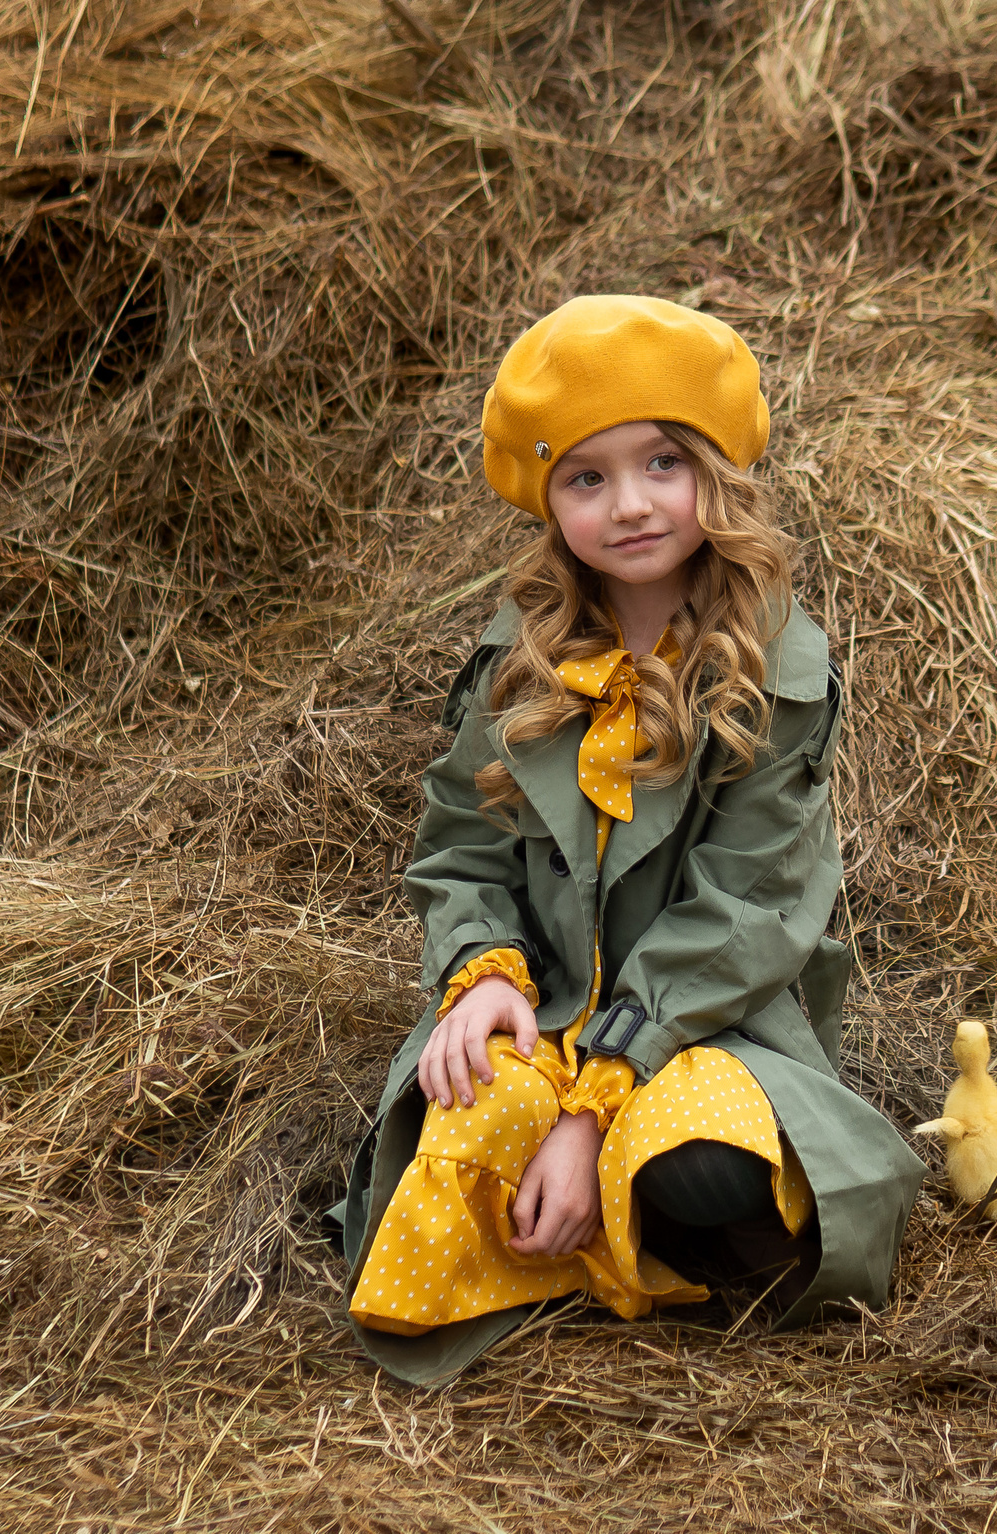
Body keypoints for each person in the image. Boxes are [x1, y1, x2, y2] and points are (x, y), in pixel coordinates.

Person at [329, 295, 922, 1386]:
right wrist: (478, 974)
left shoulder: (772, 671)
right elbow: (460, 846)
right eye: (587, 477)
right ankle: (572, 1240)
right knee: (467, 1108)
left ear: (715, 471)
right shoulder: (521, 657)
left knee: (694, 1160)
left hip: (705, 1021)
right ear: (548, 501)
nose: (632, 505)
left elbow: (747, 913)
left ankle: (664, 1230)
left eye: (661, 462)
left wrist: (594, 1108)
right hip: (544, 1001)